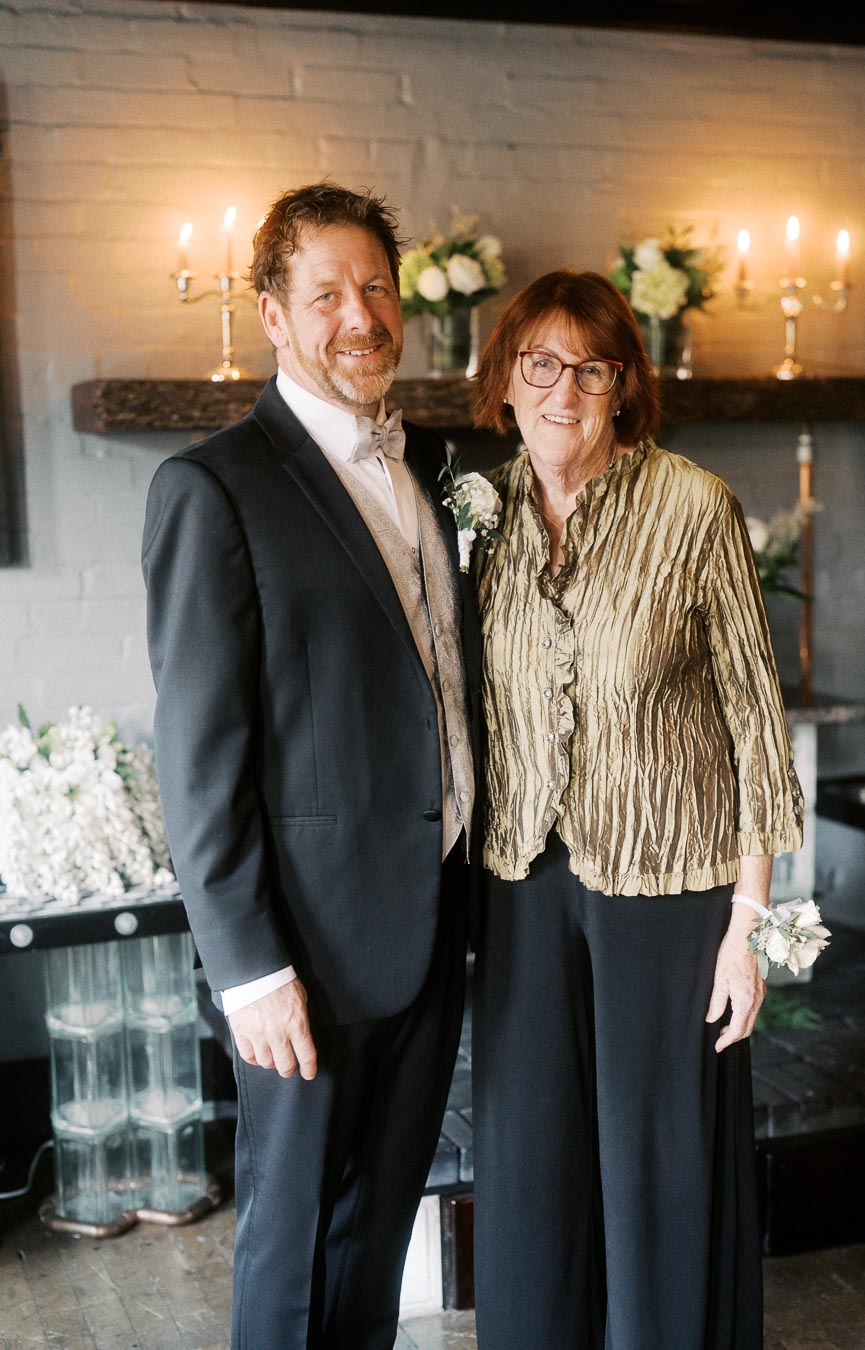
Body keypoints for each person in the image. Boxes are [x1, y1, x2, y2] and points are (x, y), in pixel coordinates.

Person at [141, 183, 481, 1349]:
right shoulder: (214, 486)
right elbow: (198, 749)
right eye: (326, 292)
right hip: (303, 955)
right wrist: (247, 968)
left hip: (436, 922)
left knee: (376, 1231)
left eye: (378, 287)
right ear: (274, 316)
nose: (361, 315)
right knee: (291, 1240)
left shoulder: (435, 465)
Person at [469, 270, 804, 1350]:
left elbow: (759, 726)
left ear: (623, 386)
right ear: (505, 380)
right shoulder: (481, 514)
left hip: (671, 893)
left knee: (661, 1173)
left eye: (592, 368)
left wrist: (748, 933)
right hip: (522, 883)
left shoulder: (695, 505)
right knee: (530, 1169)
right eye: (541, 364)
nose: (564, 389)